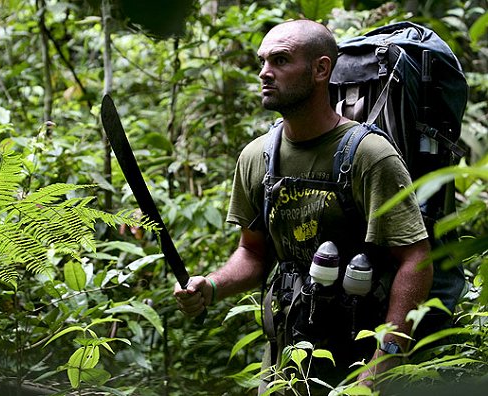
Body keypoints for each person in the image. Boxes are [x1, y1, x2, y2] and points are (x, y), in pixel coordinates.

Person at [173, 19, 433, 393]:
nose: (265, 73)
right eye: (262, 61)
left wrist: (385, 358)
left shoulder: (368, 156)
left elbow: (415, 259)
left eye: (280, 60)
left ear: (320, 69)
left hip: (361, 362)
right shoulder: (257, 158)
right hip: (286, 363)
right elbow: (252, 252)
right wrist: (211, 286)